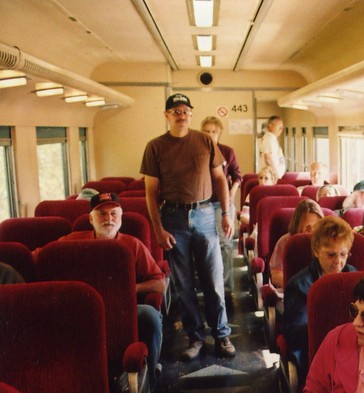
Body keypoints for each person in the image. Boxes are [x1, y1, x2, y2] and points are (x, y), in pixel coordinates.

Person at [140, 93, 236, 360]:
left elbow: (220, 180)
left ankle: (221, 334)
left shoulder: (205, 140)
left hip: (205, 213)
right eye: (176, 111)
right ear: (167, 115)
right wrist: (158, 229)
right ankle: (195, 337)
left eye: (185, 111)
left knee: (214, 281)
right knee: (183, 286)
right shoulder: (155, 146)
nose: (181, 115)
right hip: (173, 217)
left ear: (191, 115)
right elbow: (150, 193)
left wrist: (226, 213)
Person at [59, 192, 166, 378]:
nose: (109, 219)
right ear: (91, 219)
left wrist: (131, 290)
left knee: (150, 316)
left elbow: (160, 284)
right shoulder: (72, 241)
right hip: (81, 309)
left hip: (122, 309)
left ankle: (149, 375)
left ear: (121, 217)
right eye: (102, 214)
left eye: (114, 213)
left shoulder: (133, 245)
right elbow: (41, 257)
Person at [283, 216, 357, 371]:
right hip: (316, 351)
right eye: (331, 254)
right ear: (316, 251)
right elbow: (296, 335)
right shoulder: (299, 286)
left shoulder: (354, 276)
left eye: (343, 254)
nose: (338, 262)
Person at [201, 116, 243, 293]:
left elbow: (237, 176)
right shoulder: (197, 152)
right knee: (206, 245)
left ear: (219, 134)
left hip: (222, 204)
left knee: (225, 244)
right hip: (202, 205)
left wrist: (232, 193)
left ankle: (225, 286)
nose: (211, 135)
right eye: (207, 132)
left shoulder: (227, 151)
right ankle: (209, 284)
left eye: (214, 132)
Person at [269, 199, 324, 289]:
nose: (313, 231)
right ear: (298, 226)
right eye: (308, 227)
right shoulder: (285, 242)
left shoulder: (326, 241)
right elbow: (275, 274)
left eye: (317, 226)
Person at [259, 115, 286, 180]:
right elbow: (268, 159)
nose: (281, 129)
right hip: (271, 178)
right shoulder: (269, 139)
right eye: (279, 126)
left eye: (282, 127)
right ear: (270, 126)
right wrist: (274, 175)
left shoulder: (272, 139)